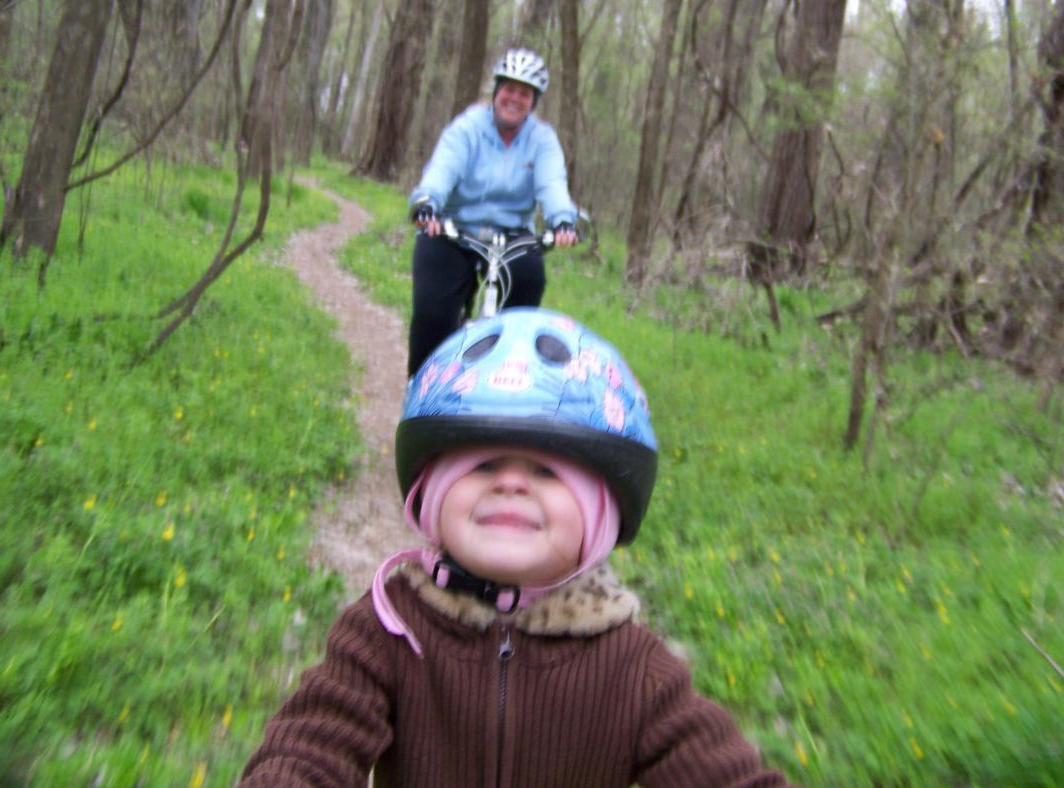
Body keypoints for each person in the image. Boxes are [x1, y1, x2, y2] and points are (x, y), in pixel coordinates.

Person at [241, 308, 790, 787]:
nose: (510, 485)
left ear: (598, 518)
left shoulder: (638, 674)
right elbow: (310, 745)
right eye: (481, 465)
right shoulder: (385, 635)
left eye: (547, 472)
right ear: (432, 496)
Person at [405, 48, 580, 377]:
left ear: (533, 102)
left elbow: (552, 183)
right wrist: (427, 202)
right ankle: (421, 392)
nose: (515, 98)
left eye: (524, 93)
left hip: (511, 236)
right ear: (497, 91)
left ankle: (504, 385)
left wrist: (562, 220)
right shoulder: (468, 127)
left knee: (526, 294)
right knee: (433, 314)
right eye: (509, 89)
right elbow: (443, 168)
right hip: (451, 230)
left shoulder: (542, 140)